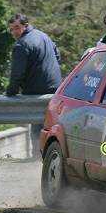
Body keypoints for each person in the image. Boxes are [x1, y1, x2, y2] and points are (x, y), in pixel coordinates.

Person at [6, 14, 62, 158]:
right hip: (56, 89)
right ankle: (51, 156)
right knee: (52, 126)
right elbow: (57, 56)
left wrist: (11, 92)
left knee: (37, 127)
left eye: (17, 28)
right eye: (11, 29)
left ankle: (37, 158)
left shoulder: (21, 44)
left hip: (36, 91)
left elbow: (17, 73)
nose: (14, 32)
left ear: (25, 25)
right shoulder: (43, 36)